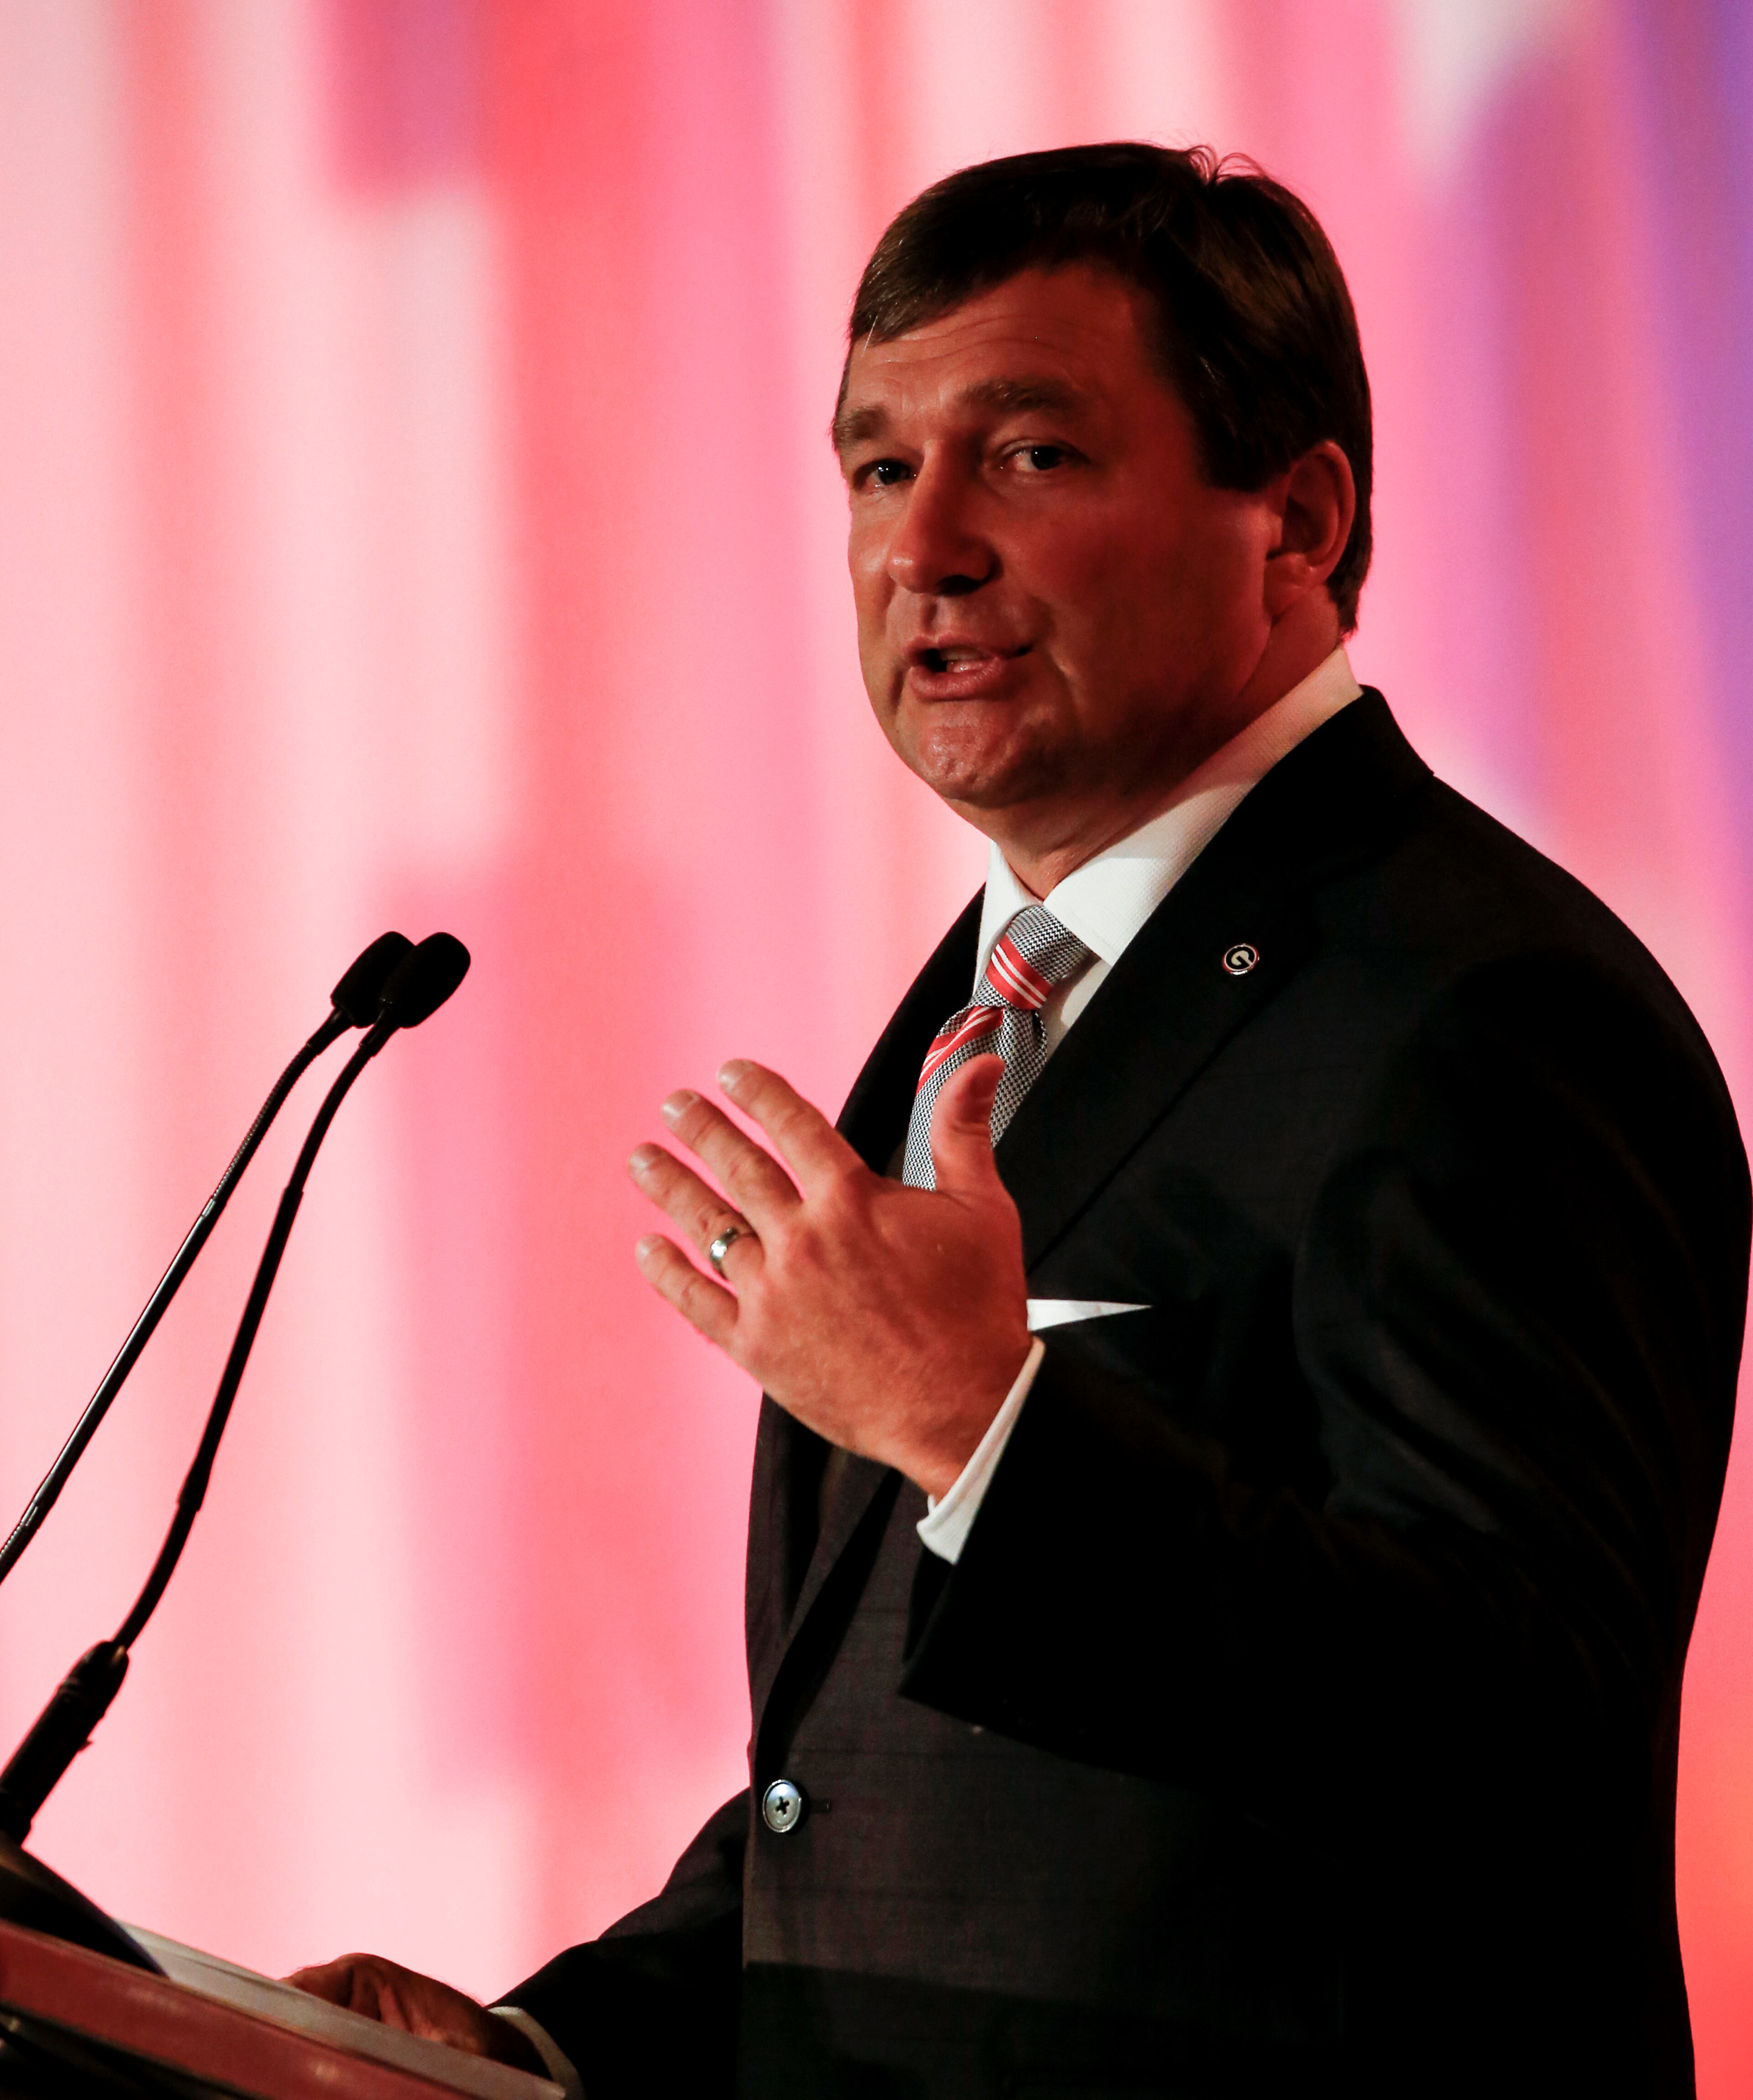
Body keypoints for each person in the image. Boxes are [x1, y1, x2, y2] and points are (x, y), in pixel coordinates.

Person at [290, 144, 1748, 2098]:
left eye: (1033, 455)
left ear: (1297, 521)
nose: (928, 545)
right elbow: (896, 1805)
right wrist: (537, 2049)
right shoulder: (1000, 1003)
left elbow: (1514, 1725)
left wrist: (981, 1429)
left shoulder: (1485, 1004)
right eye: (879, 469)